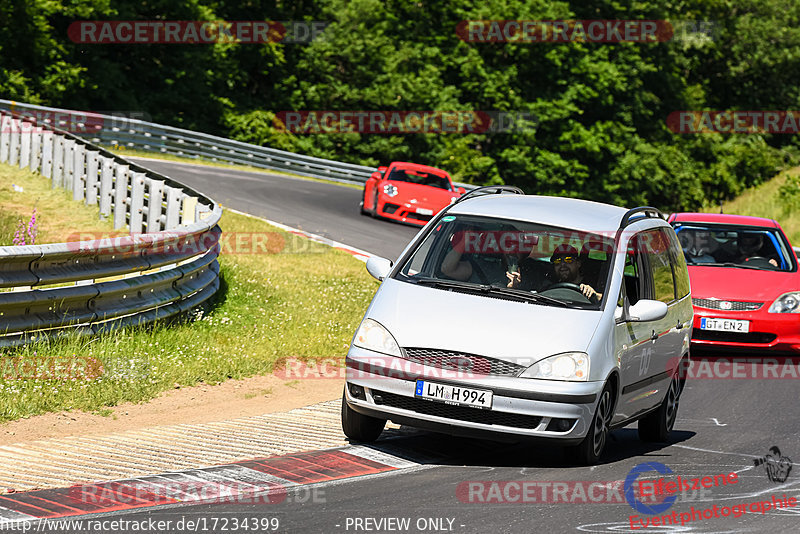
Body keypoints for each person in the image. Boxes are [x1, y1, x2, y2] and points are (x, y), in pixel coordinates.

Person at [508, 244, 602, 302]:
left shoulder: (593, 282)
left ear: (578, 263)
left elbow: (608, 302)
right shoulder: (548, 283)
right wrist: (515, 287)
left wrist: (595, 295)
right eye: (557, 261)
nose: (562, 265)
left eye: (568, 260)